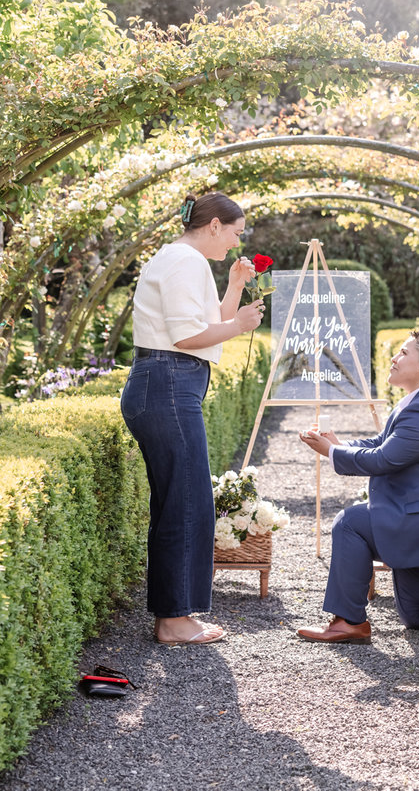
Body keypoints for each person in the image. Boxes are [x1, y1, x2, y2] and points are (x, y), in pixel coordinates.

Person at [120, 191, 265, 646]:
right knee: (187, 502)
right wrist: (240, 326)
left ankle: (174, 615)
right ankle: (175, 621)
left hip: (163, 383)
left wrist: (236, 288)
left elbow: (203, 326)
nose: (235, 246)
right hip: (167, 384)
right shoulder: (185, 261)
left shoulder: (177, 258)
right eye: (236, 234)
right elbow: (188, 337)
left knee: (178, 502)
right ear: (215, 225)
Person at [295, 331, 419, 644]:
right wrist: (340, 444)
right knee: (417, 612)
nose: (394, 358)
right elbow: (382, 444)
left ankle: (349, 621)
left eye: (403, 353)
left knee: (350, 523)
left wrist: (332, 453)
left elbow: (383, 459)